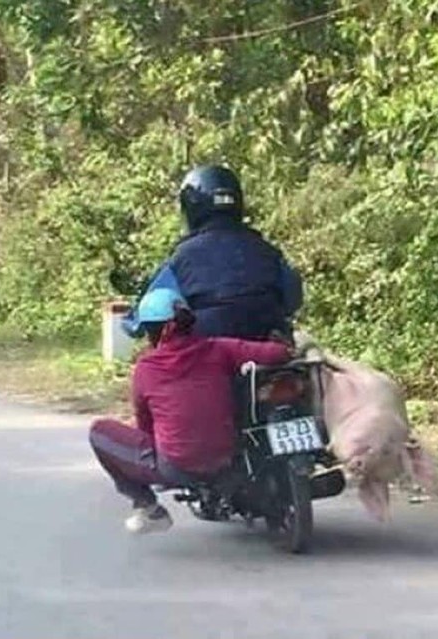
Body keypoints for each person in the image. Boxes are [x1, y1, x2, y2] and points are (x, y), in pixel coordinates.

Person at [90, 288, 291, 534]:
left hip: (176, 468)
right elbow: (277, 353)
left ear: (154, 331)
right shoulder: (219, 348)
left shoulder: (146, 368)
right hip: (228, 459)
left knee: (99, 432)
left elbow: (145, 424)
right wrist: (287, 343)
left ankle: (149, 508)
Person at [121, 164, 303, 341]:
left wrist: (132, 323)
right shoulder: (268, 251)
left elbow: (143, 316)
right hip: (270, 348)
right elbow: (294, 300)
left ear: (190, 207)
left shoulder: (182, 257)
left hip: (206, 354)